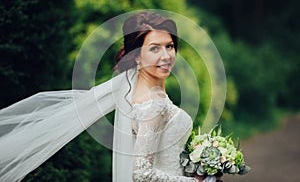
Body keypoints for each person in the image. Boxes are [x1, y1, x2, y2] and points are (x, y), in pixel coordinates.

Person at [0, 11, 220, 182]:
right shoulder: (153, 105)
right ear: (137, 57)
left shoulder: (145, 92)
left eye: (169, 46)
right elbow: (142, 173)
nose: (166, 56)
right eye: (155, 49)